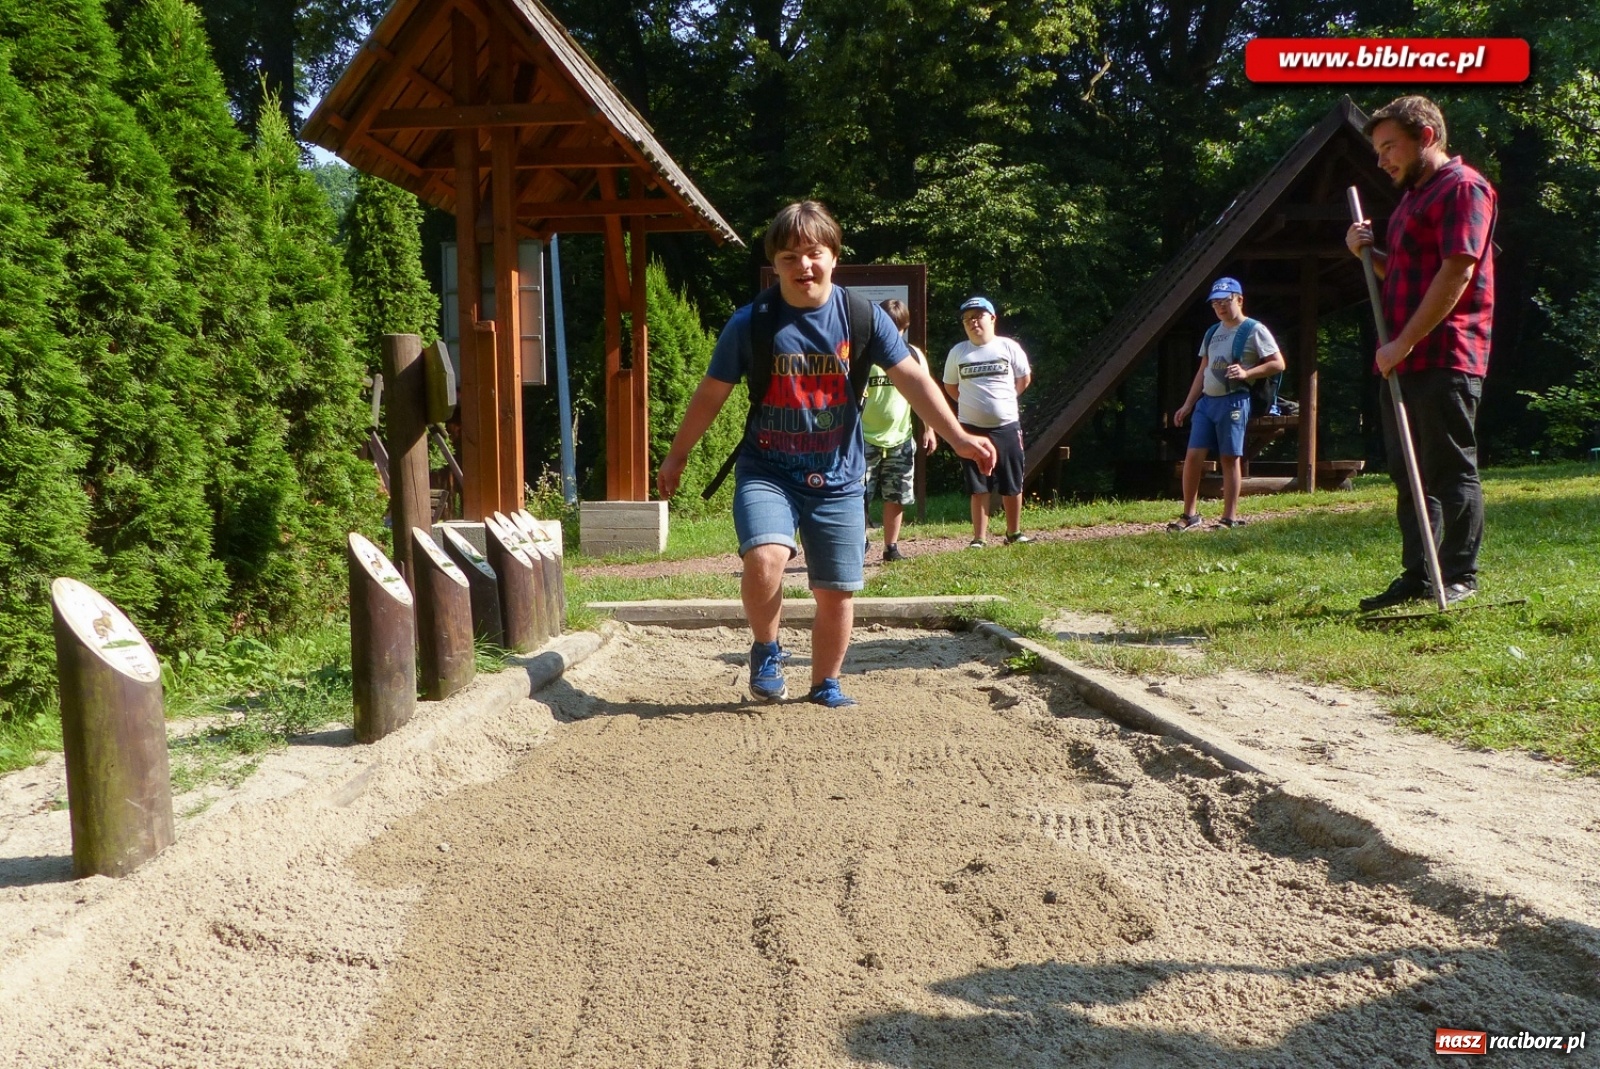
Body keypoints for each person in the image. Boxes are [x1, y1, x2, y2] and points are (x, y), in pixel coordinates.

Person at [656, 201, 997, 707]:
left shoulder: (862, 317)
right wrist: (678, 454)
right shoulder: (752, 323)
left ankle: (825, 683)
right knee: (766, 557)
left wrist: (959, 438)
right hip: (767, 468)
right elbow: (711, 393)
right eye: (789, 257)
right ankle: (767, 649)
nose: (803, 267)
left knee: (836, 590)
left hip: (839, 474)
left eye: (813, 254)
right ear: (775, 263)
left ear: (833, 257)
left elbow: (914, 381)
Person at [1345, 95, 1496, 611]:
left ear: (1425, 136)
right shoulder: (1413, 198)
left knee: (1447, 467)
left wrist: (1403, 341)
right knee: (1408, 472)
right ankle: (1421, 573)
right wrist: (1368, 251)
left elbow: (1458, 270)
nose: (1382, 159)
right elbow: (1409, 273)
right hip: (1403, 355)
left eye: (1390, 147)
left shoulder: (1463, 187)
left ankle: (1458, 574)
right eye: (1378, 150)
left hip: (1445, 352)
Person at [1168, 277, 1286, 531]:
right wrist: (1188, 404)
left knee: (1229, 458)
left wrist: (1247, 373)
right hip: (1207, 403)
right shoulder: (1213, 332)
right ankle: (1189, 515)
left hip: (1234, 401)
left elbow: (1278, 363)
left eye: (1225, 301)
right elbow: (1203, 370)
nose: (1220, 307)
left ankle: (1229, 517)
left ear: (1239, 300)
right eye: (1215, 303)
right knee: (1192, 456)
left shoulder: (1254, 329)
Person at [942, 296, 1033, 548]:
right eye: (967, 319)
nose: (973, 322)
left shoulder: (1008, 347)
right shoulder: (958, 352)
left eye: (978, 316)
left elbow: (1023, 380)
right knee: (978, 485)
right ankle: (979, 538)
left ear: (992, 318)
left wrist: (1001, 402)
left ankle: (1013, 533)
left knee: (1011, 481)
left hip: (1006, 426)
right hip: (971, 429)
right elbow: (951, 387)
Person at [863, 299, 937, 562]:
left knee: (896, 494)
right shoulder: (864, 354)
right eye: (889, 327)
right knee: (858, 495)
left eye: (899, 329)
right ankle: (859, 542)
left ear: (905, 328)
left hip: (900, 437)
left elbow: (923, 394)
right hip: (864, 439)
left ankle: (891, 548)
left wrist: (929, 429)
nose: (894, 334)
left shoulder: (913, 355)